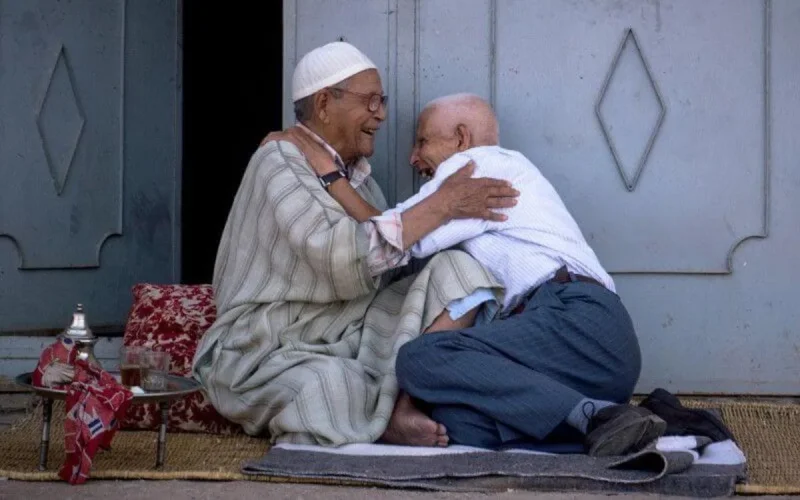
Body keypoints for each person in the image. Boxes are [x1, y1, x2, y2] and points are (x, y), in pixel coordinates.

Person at [190, 42, 519, 447]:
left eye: (382, 101)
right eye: (371, 101)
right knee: (327, 385)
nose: (380, 114)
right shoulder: (278, 159)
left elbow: (390, 264)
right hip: (266, 346)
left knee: (459, 274)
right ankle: (382, 415)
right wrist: (442, 205)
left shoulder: (360, 178)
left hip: (345, 329)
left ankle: (402, 402)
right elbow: (340, 257)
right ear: (325, 104)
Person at [390, 93, 666, 457]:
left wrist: (332, 181)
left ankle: (592, 415)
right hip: (592, 364)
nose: (413, 158)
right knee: (452, 422)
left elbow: (394, 237)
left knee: (417, 359)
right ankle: (603, 419)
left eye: (423, 141)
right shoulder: (497, 172)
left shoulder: (476, 167)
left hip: (577, 321)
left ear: (460, 138)